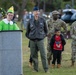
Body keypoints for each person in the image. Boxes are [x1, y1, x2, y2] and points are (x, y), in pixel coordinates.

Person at [26, 6, 48, 72]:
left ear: (39, 12)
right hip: (32, 40)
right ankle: (35, 69)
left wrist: (42, 36)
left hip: (40, 40)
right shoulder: (30, 21)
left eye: (37, 11)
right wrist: (30, 37)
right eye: (35, 11)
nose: (36, 13)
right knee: (34, 55)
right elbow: (27, 31)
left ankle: (46, 69)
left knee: (43, 55)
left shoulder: (42, 20)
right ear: (33, 12)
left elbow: (46, 30)